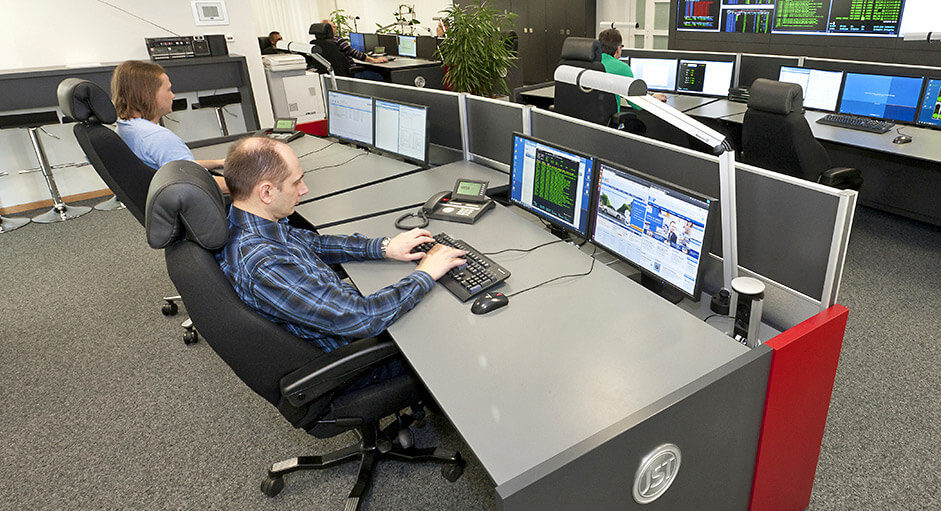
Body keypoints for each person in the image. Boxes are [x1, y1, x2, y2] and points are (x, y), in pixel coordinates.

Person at [215, 136, 467, 353]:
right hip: (358, 350)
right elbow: (362, 318)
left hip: (339, 312)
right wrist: (425, 274)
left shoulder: (253, 223)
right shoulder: (264, 263)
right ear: (266, 192)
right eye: (295, 182)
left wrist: (384, 247)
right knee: (453, 326)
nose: (305, 189)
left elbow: (317, 244)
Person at [111, 60, 228, 192]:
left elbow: (177, 165)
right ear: (147, 95)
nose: (173, 95)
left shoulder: (126, 128)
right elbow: (195, 184)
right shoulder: (157, 137)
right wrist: (249, 185)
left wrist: (219, 162)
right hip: (198, 200)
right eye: (168, 90)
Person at [597, 28, 667, 111]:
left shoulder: (590, 62)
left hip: (586, 119)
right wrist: (653, 98)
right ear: (618, 49)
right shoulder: (622, 68)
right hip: (607, 120)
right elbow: (637, 104)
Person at [321, 20, 387, 81]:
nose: (335, 29)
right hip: (352, 73)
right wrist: (374, 60)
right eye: (334, 27)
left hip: (335, 75)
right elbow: (355, 53)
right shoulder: (338, 41)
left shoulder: (319, 44)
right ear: (328, 29)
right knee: (382, 75)